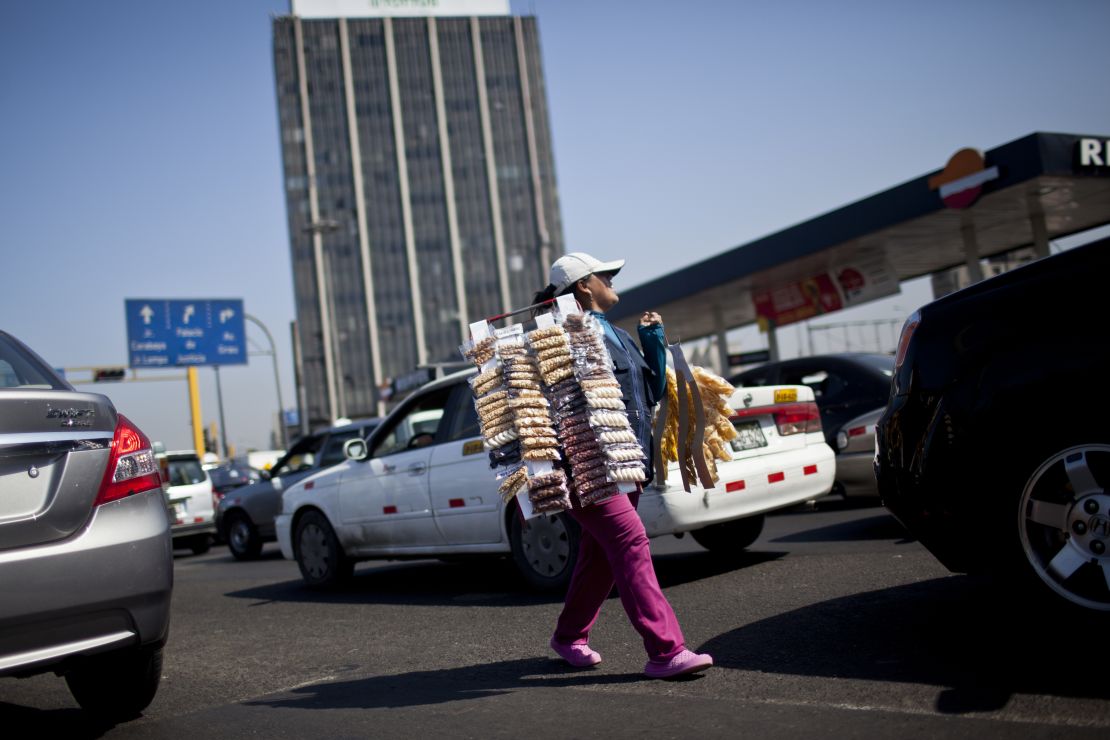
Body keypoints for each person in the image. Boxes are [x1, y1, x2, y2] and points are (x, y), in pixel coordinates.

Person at [531, 251, 713, 680]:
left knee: (599, 555)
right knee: (630, 542)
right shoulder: (558, 335)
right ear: (583, 286)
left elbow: (649, 393)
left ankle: (568, 636)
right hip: (586, 466)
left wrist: (651, 341)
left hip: (626, 461)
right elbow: (543, 407)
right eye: (605, 274)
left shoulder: (616, 333)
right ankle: (666, 651)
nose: (613, 279)